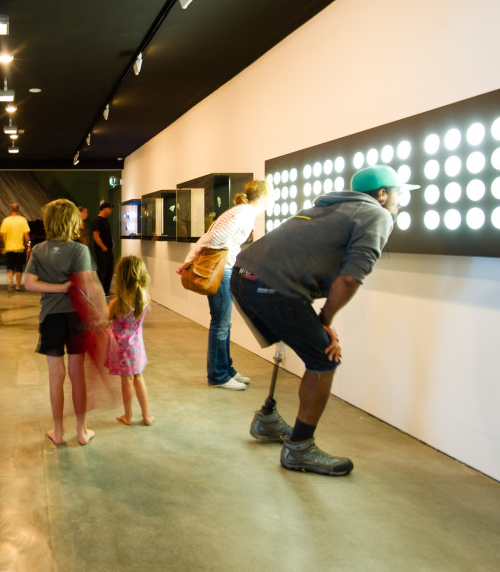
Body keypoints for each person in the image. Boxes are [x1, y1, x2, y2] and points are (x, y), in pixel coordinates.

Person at [232, 164, 415, 476]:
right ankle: (300, 448)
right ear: (382, 194)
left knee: (303, 339)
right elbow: (349, 279)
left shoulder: (327, 208)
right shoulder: (377, 215)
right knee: (323, 359)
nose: (399, 199)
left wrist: (319, 322)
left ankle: (268, 421)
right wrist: (325, 321)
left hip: (244, 276)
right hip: (273, 286)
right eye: (398, 192)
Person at [177, 180, 273, 391]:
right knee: (220, 324)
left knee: (224, 324)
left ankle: (226, 369)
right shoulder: (244, 213)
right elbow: (215, 238)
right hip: (223, 271)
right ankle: (218, 375)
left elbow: (207, 237)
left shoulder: (240, 211)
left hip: (226, 270)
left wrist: (189, 259)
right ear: (263, 196)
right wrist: (226, 255)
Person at [24, 199, 99, 446]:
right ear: (72, 222)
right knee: (77, 375)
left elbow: (30, 284)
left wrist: (56, 287)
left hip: (51, 318)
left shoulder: (38, 250)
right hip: (76, 318)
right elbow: (88, 286)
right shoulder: (80, 251)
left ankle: (58, 431)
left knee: (55, 376)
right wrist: (99, 313)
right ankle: (82, 430)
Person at [107, 256, 154, 426]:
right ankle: (147, 416)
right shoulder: (143, 296)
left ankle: (128, 416)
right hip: (137, 345)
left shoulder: (118, 302)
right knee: (139, 378)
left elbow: (106, 317)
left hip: (121, 347)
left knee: (126, 381)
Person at [0, 202, 31, 293]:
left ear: (10, 210)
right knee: (19, 268)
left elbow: (3, 235)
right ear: (19, 210)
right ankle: (18, 287)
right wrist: (28, 246)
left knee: (10, 267)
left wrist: (2, 246)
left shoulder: (6, 220)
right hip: (19, 248)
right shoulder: (23, 220)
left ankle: (10, 282)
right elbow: (26, 236)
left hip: (9, 248)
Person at [92, 201, 115, 296]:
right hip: (102, 251)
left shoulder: (106, 220)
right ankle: (100, 292)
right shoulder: (97, 220)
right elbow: (96, 236)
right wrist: (103, 247)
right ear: (103, 209)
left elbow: (108, 234)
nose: (111, 210)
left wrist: (112, 242)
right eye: (109, 208)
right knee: (102, 271)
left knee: (110, 270)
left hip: (109, 250)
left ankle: (106, 290)